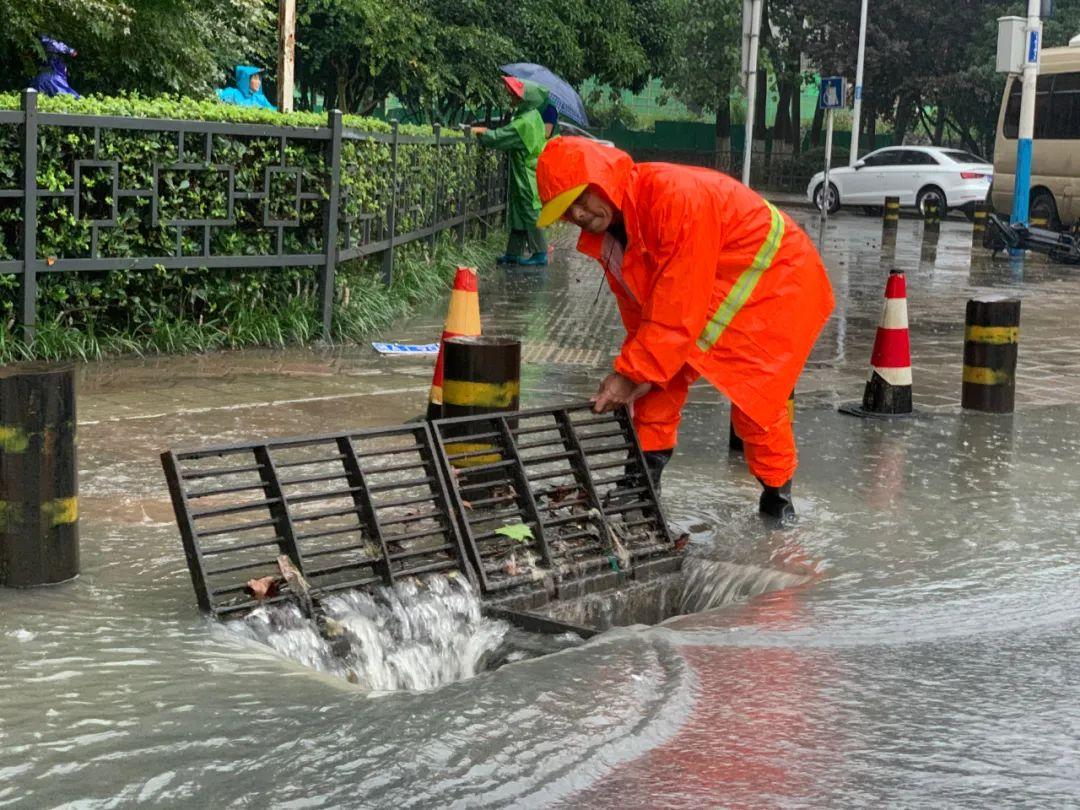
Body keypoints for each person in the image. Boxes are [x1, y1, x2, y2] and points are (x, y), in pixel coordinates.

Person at [535, 136, 835, 519]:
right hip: (713, 286)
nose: (577, 213)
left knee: (755, 398)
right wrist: (636, 372)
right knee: (657, 377)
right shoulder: (610, 236)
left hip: (777, 281)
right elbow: (646, 319)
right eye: (565, 210)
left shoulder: (673, 199)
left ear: (603, 179)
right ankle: (640, 485)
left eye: (580, 198)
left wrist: (629, 374)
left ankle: (778, 502)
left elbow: (675, 313)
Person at [473, 77, 549, 267]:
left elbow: (499, 138)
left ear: (525, 99)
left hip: (525, 174)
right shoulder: (533, 116)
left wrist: (483, 132)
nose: (511, 97)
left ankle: (540, 253)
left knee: (530, 212)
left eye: (515, 95)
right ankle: (513, 253)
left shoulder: (524, 123)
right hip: (527, 171)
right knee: (518, 213)